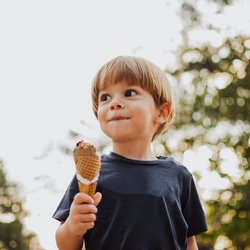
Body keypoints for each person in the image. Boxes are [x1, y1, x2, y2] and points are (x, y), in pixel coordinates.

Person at [53, 56, 207, 250]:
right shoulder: (89, 177)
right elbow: (66, 246)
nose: (114, 103)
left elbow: (188, 241)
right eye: (105, 97)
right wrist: (73, 226)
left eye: (129, 92)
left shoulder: (179, 176)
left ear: (162, 112)